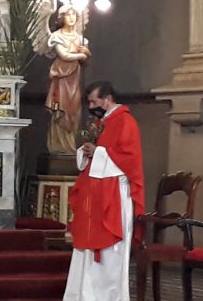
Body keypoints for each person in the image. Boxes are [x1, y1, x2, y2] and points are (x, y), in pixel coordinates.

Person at [63, 81, 145, 301]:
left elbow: (128, 159)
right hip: (96, 195)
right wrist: (88, 150)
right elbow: (101, 155)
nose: (91, 106)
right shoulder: (103, 122)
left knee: (110, 254)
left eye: (94, 101)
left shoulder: (125, 121)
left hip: (114, 196)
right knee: (86, 251)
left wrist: (98, 151)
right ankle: (83, 295)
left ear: (107, 99)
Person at [45, 5, 90, 154]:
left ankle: (70, 146)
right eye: (67, 14)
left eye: (74, 14)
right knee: (61, 109)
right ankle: (58, 146)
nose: (71, 17)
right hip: (61, 79)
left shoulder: (81, 39)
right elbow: (64, 55)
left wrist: (86, 54)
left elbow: (85, 62)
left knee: (74, 110)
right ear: (61, 17)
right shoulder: (56, 36)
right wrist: (80, 55)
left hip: (74, 79)